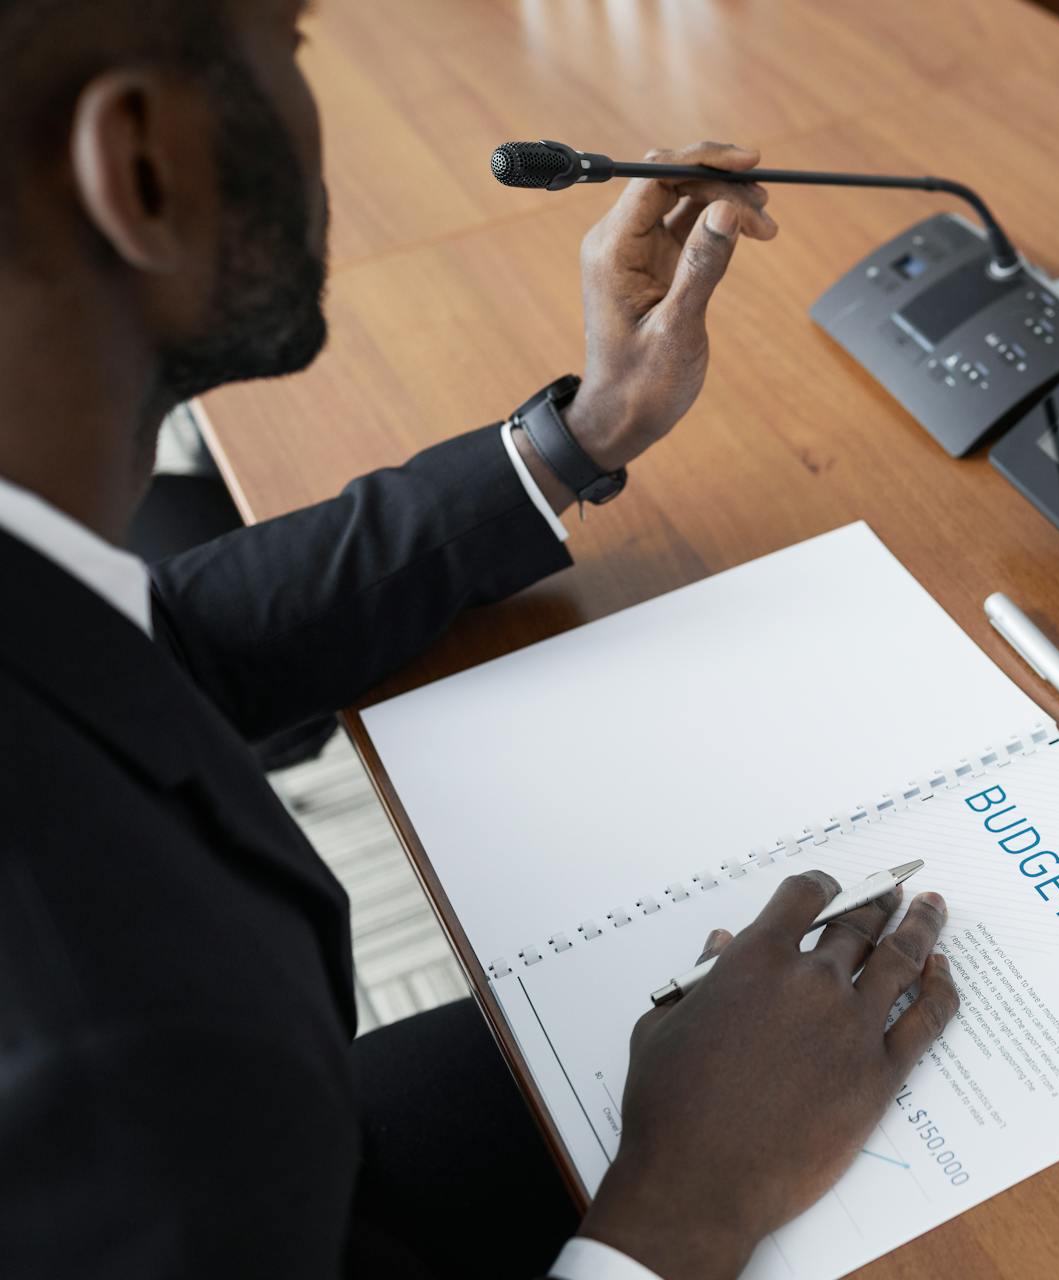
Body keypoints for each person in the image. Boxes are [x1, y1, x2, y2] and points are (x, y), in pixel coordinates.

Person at [0, 1, 961, 1277]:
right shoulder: (119, 1073)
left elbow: (162, 638)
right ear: (141, 167)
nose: (308, 92)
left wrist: (580, 436)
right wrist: (687, 1198)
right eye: (291, 43)